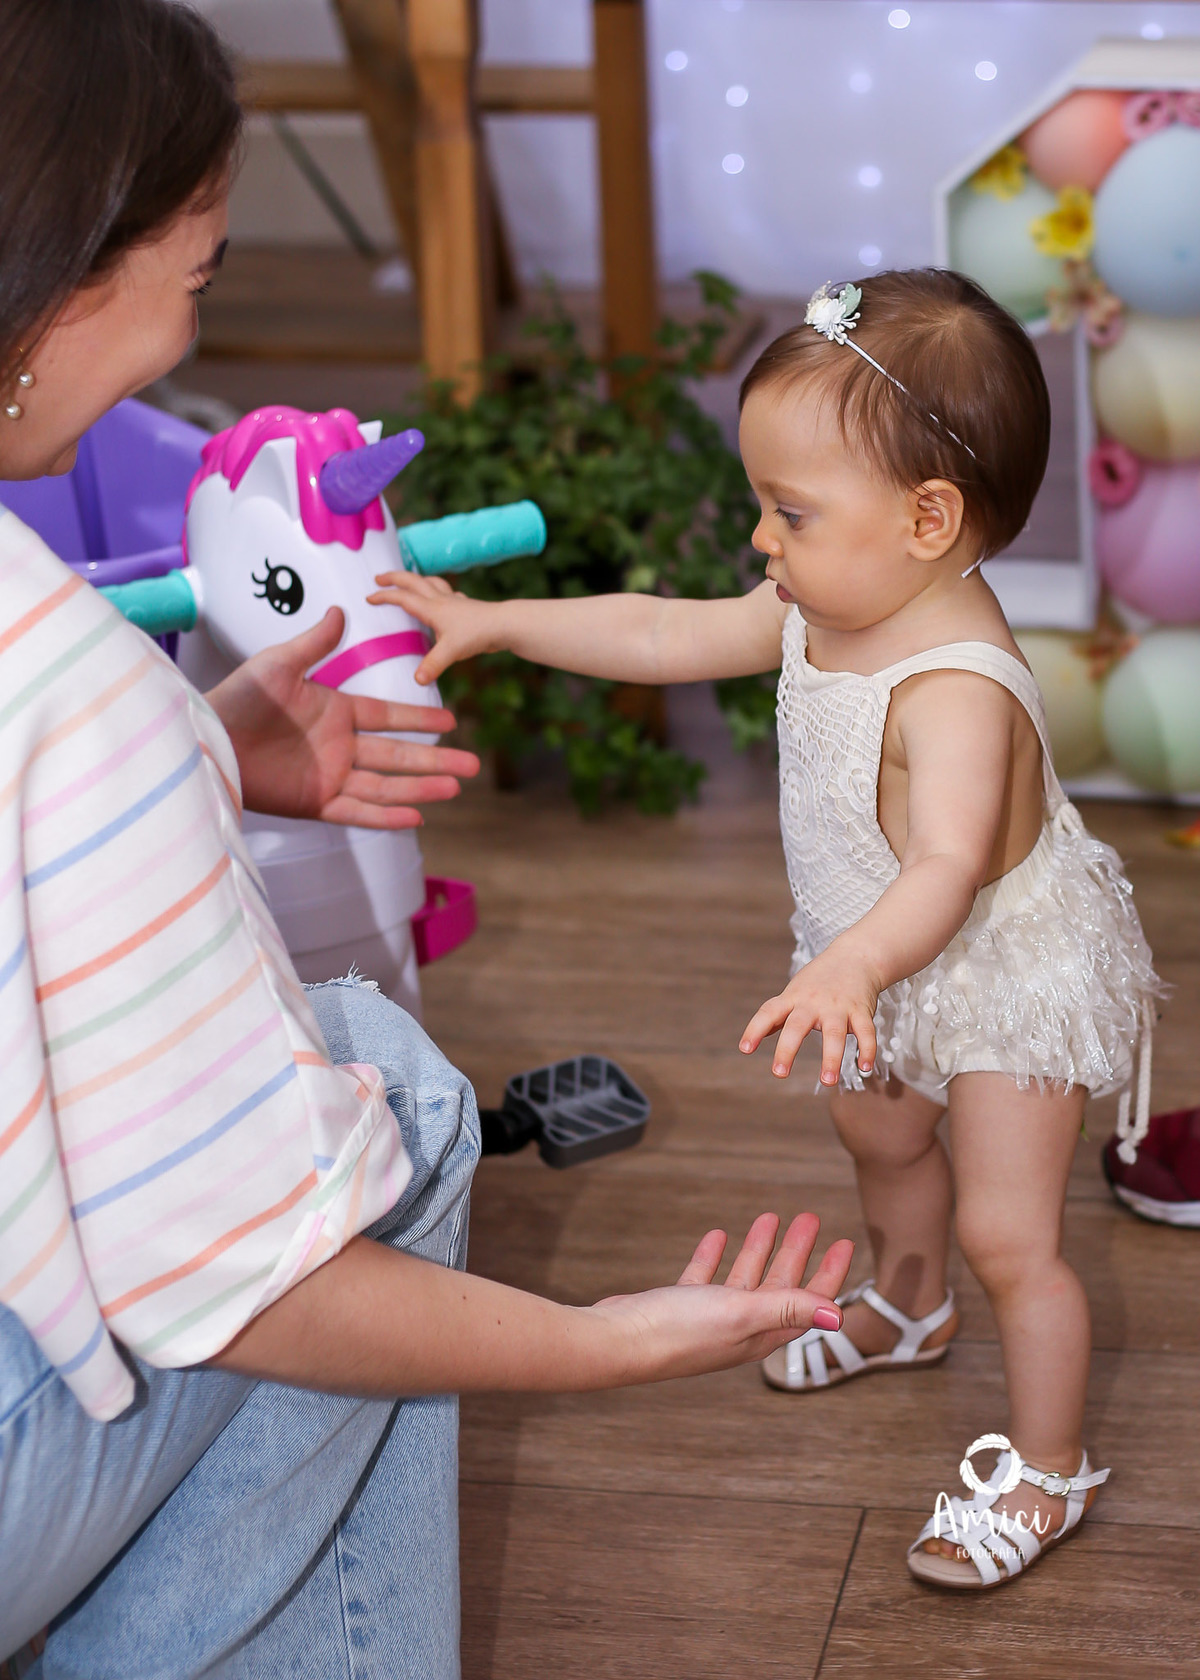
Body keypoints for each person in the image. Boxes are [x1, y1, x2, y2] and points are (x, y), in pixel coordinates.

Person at [0, 3, 854, 1674]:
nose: (188, 333)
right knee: (389, 1101)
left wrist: (196, 749)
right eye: (205, 269)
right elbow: (237, 1285)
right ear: (70, 273)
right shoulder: (67, 691)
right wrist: (599, 1338)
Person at [375, 268, 1163, 1591]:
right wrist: (498, 621)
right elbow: (663, 627)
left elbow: (951, 867)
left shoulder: (957, 688)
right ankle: (908, 1307)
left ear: (928, 520)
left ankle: (1046, 1464)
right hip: (864, 952)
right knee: (882, 1139)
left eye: (789, 511)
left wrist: (854, 961)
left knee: (1011, 1234)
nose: (760, 540)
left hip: (995, 972)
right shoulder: (823, 603)